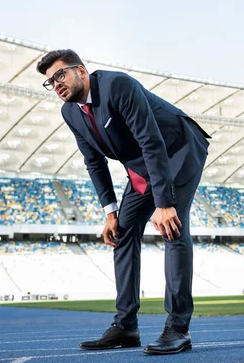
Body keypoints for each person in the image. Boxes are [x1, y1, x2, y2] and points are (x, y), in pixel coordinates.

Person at [37, 49, 210, 355]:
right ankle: (126, 326)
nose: (56, 84)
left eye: (60, 74)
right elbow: (94, 162)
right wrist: (111, 213)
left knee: (172, 227)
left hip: (178, 149)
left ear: (81, 70)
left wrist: (164, 202)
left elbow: (150, 139)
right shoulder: (70, 113)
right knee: (123, 232)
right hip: (143, 164)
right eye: (50, 82)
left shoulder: (118, 86)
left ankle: (178, 327)